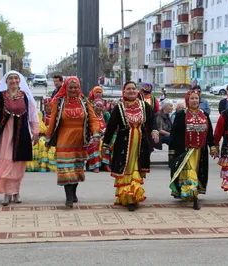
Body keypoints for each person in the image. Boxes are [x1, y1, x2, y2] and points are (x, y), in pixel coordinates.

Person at [0, 71, 39, 206]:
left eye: (16, 78)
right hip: (4, 134)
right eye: (11, 78)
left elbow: (32, 115)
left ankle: (16, 192)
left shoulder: (26, 96)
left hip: (21, 134)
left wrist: (35, 132)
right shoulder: (0, 96)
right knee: (6, 161)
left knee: (18, 164)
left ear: (19, 81)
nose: (14, 80)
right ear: (6, 81)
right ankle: (7, 193)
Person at [102, 81, 159, 212]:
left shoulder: (144, 106)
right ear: (124, 91)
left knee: (137, 167)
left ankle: (133, 196)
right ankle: (128, 197)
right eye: (129, 89)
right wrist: (105, 144)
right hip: (124, 144)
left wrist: (155, 131)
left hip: (141, 143)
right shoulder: (119, 108)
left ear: (137, 90)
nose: (132, 91)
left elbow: (152, 121)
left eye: (134, 89)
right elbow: (111, 127)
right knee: (125, 167)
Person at [45, 77, 100, 208]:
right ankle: (68, 198)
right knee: (66, 169)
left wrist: (96, 133)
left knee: (77, 169)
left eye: (75, 87)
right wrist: (48, 138)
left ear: (79, 88)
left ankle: (73, 193)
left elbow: (93, 119)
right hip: (64, 140)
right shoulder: (59, 102)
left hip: (80, 140)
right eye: (70, 87)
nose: (73, 90)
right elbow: (52, 121)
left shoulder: (85, 102)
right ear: (66, 88)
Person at [169, 90, 217, 210]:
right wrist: (172, 151)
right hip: (185, 151)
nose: (195, 101)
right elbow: (174, 134)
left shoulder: (204, 115)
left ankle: (191, 193)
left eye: (196, 98)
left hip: (200, 151)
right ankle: (194, 198)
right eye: (192, 98)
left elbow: (209, 132)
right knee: (189, 172)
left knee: (197, 172)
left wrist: (212, 147)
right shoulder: (181, 115)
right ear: (187, 101)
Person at [87, 98, 111, 173]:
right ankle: (95, 166)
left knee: (105, 144)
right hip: (92, 137)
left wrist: (105, 134)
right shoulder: (91, 116)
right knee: (94, 144)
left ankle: (105, 165)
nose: (99, 108)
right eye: (97, 106)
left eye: (100, 106)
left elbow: (108, 127)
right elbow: (88, 128)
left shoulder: (104, 116)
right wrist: (95, 135)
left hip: (102, 136)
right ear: (94, 107)